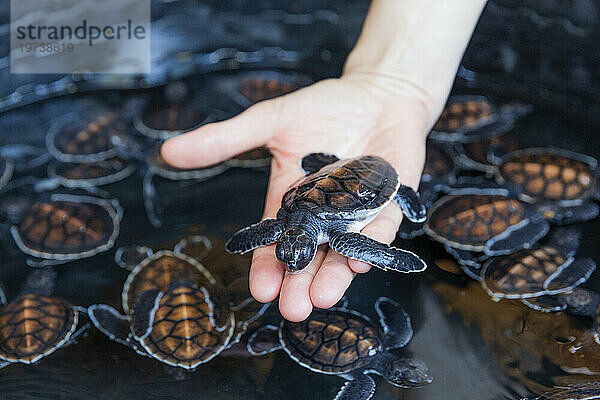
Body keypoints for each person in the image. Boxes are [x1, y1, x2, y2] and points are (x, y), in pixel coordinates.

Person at [161, 0, 488, 322]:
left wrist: (389, 256)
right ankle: (331, 165)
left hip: (372, 177)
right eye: (291, 257)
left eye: (294, 257)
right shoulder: (286, 221)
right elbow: (266, 233)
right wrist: (387, 80)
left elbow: (359, 246)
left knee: (364, 249)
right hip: (331, 174)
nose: (292, 263)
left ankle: (397, 190)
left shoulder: (334, 233)